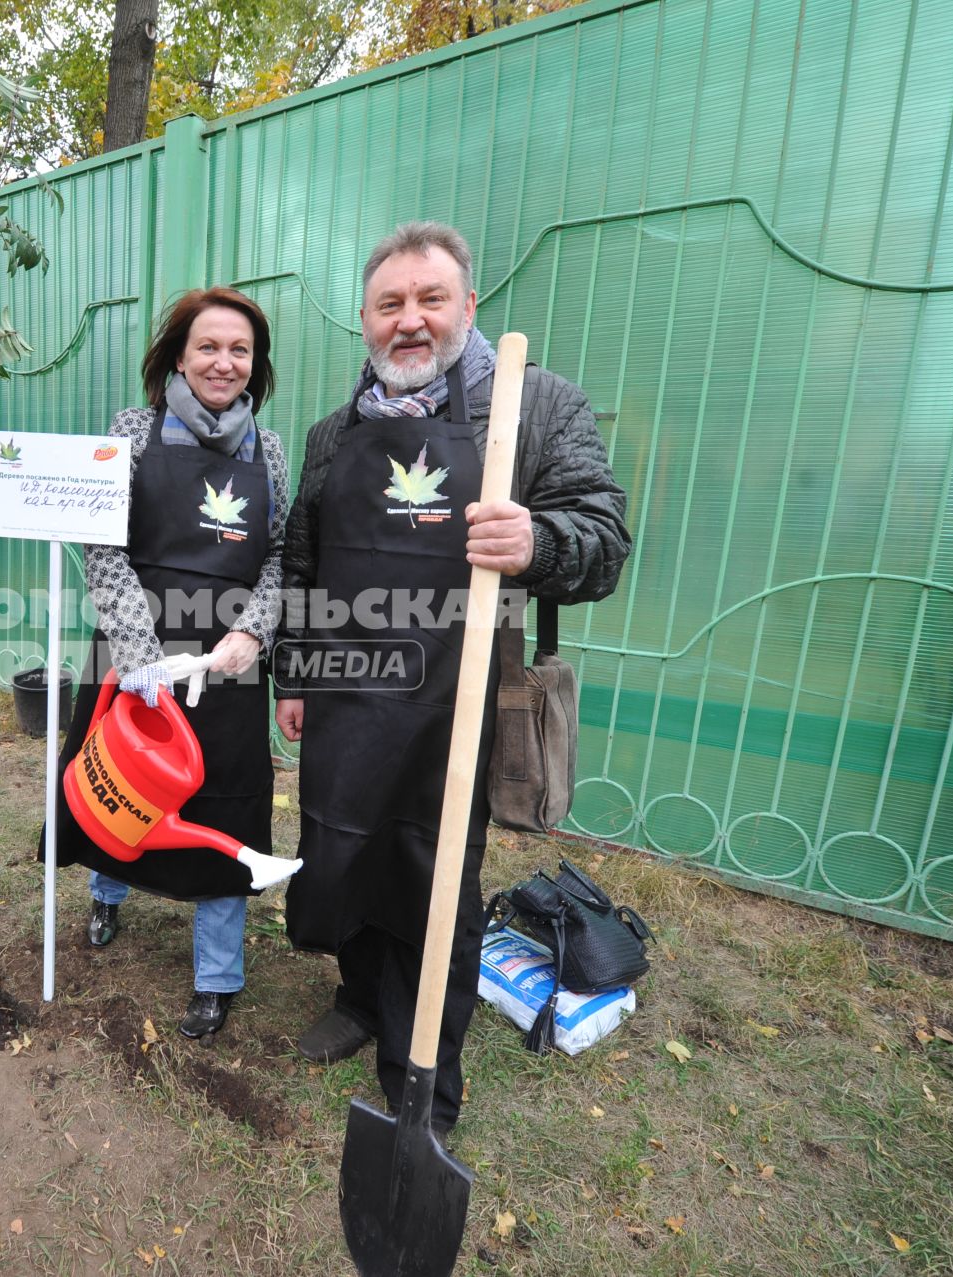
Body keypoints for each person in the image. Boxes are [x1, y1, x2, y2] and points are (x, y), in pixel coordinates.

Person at [276, 222, 631, 1131]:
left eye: (430, 299)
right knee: (343, 849)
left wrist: (538, 542)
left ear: (468, 306)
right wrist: (295, 675)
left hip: (459, 701)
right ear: (364, 319)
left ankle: (422, 1068)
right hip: (350, 692)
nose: (410, 321)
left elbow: (603, 541)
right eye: (390, 304)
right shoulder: (334, 431)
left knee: (435, 875)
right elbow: (305, 562)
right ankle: (360, 999)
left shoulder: (533, 408)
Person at [53, 287, 291, 1040]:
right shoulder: (134, 431)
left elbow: (283, 554)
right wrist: (138, 655)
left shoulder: (271, 450)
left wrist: (253, 631)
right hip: (138, 655)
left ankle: (217, 975)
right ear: (178, 357)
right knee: (119, 779)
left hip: (229, 665)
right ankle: (107, 890)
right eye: (209, 347)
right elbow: (103, 545)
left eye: (240, 350)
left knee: (226, 802)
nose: (225, 362)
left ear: (255, 365)